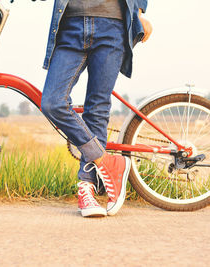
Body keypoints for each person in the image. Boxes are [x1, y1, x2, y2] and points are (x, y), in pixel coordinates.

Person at [41, 0, 152, 217]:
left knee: (97, 108)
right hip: (69, 26)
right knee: (53, 102)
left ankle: (87, 188)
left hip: (113, 24)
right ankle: (108, 162)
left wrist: (138, 11)